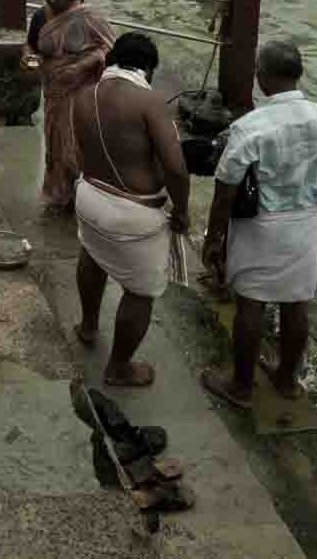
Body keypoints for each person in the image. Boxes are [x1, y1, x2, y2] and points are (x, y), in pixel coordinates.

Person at [200, 41, 317, 408]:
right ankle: (286, 380)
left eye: (257, 70)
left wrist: (214, 239)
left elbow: (225, 190)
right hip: (303, 221)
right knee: (296, 303)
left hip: (261, 223)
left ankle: (241, 387)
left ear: (264, 77)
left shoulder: (249, 126)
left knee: (251, 304)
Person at [72, 32, 190, 388]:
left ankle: (89, 326)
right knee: (140, 292)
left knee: (93, 255)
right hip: (133, 212)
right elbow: (176, 167)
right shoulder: (149, 100)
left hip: (90, 197)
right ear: (148, 68)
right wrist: (183, 209)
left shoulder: (83, 95)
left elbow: (83, 152)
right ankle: (119, 367)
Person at [27, 0, 115, 212]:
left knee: (75, 148)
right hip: (54, 91)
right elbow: (30, 45)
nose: (52, 1)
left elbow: (110, 47)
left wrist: (81, 66)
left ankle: (83, 199)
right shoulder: (41, 17)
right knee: (56, 145)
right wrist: (30, 60)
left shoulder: (88, 17)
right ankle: (59, 194)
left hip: (81, 92)